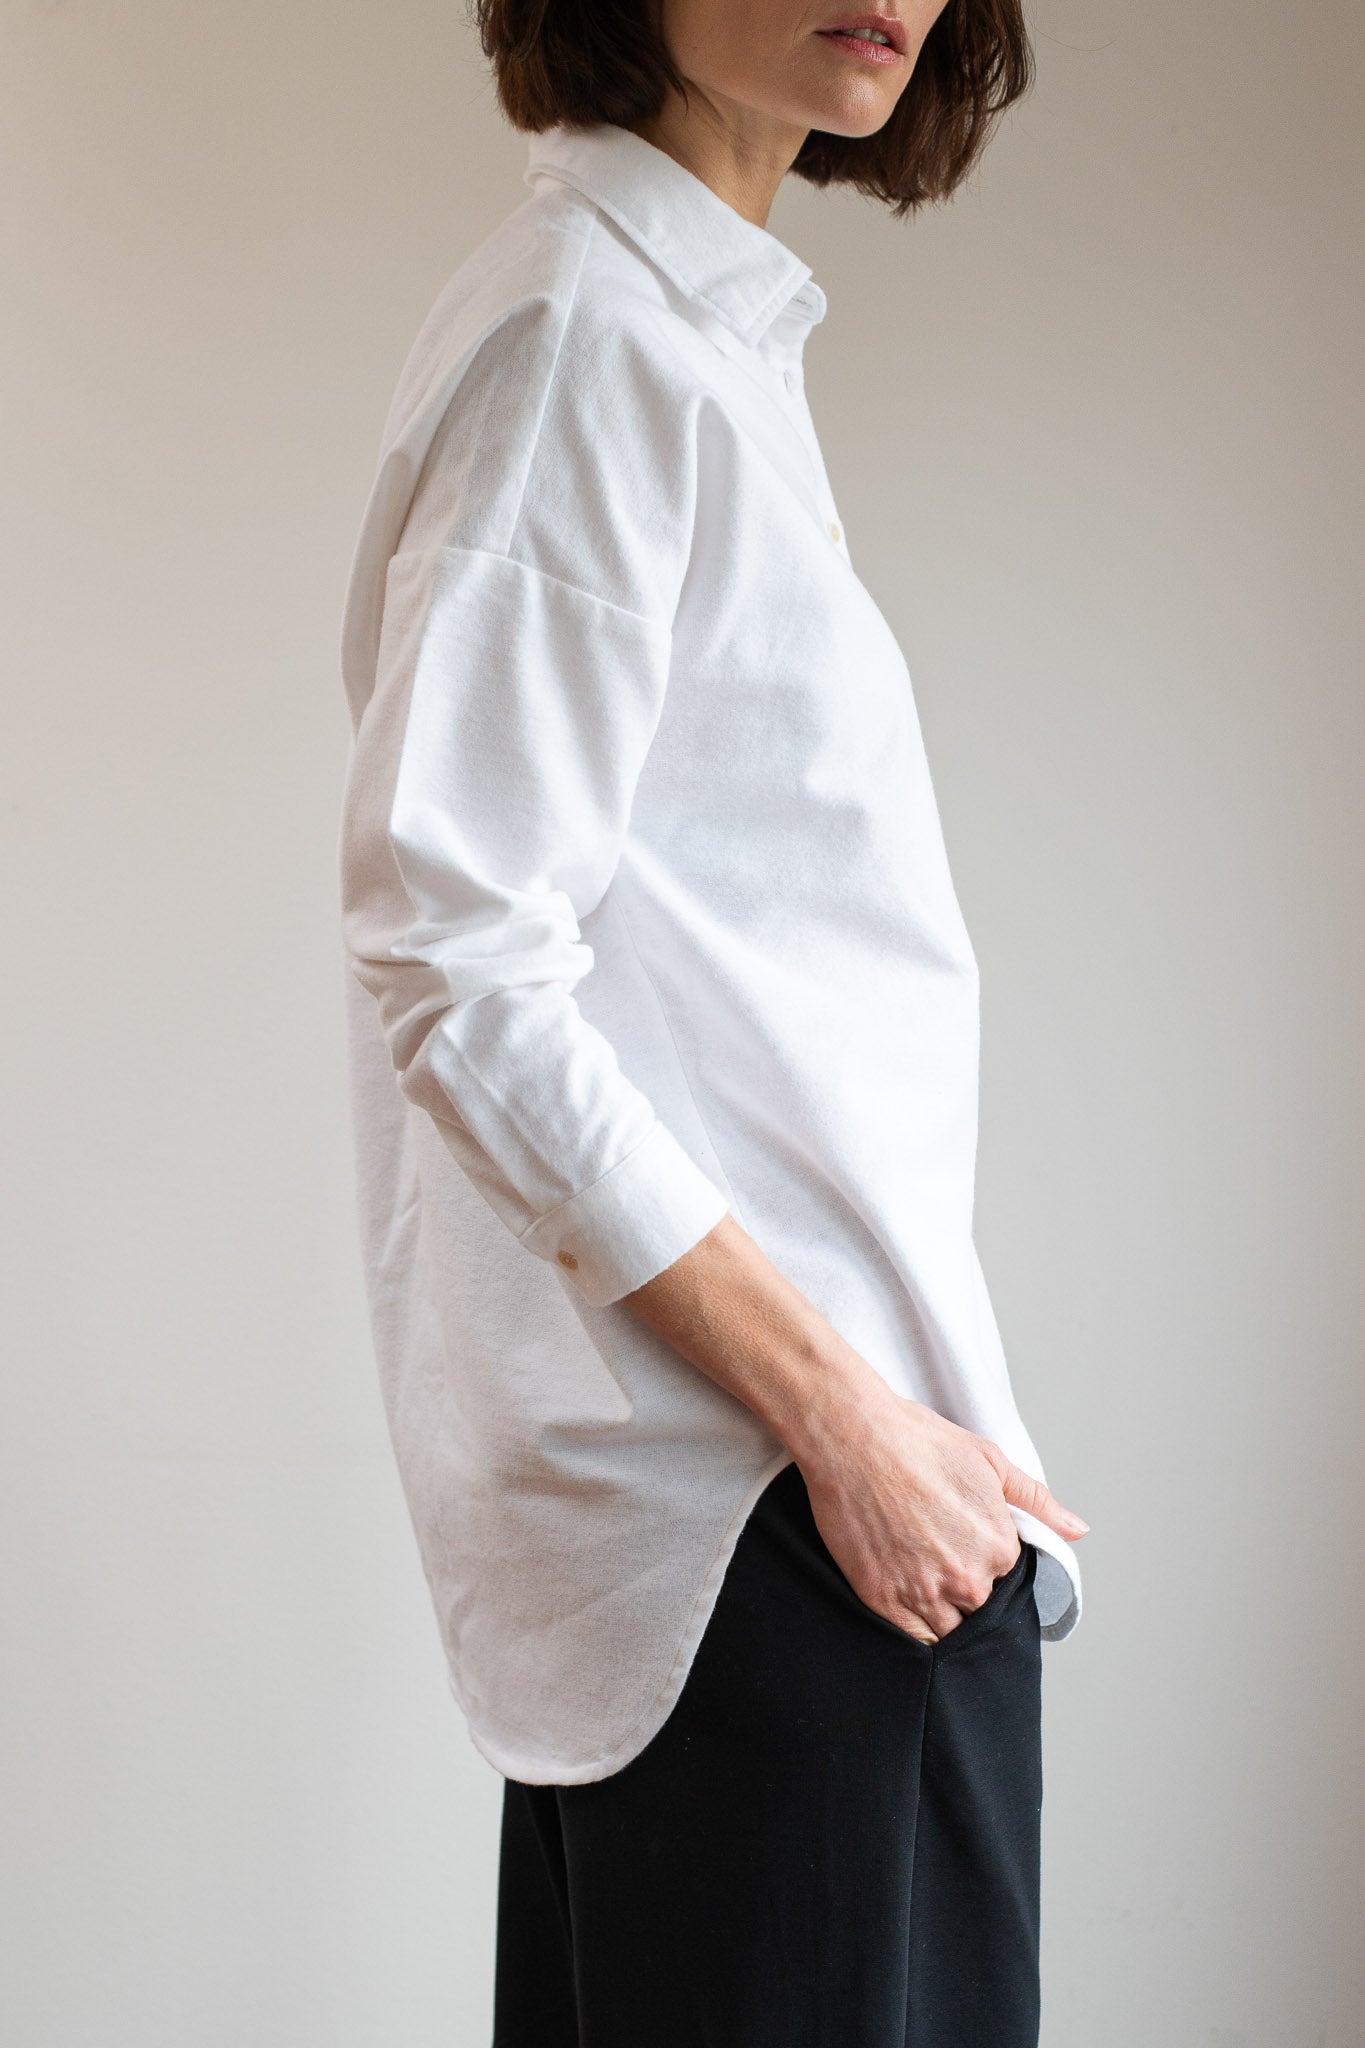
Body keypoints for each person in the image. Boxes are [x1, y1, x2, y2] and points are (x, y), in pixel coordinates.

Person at [338, 2, 1090, 2041]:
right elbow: (455, 952)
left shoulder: (676, 331)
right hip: (772, 1516)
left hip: (776, 1519)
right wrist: (844, 1422)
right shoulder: (589, 333)